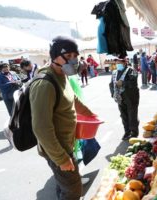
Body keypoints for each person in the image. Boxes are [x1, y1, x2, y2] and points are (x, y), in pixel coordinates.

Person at [29, 36, 95, 200]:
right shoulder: (44, 84)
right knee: (73, 190)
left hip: (67, 142)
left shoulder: (62, 75)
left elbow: (72, 99)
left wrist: (90, 114)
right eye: (69, 56)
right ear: (55, 56)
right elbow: (41, 128)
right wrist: (62, 159)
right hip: (57, 148)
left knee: (66, 184)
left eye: (75, 56)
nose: (74, 60)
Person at [109, 59, 139, 140]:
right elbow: (111, 84)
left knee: (132, 114)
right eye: (117, 62)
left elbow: (133, 83)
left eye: (120, 62)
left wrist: (123, 83)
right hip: (120, 97)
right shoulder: (114, 72)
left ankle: (134, 132)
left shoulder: (131, 70)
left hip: (131, 96)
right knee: (124, 115)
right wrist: (113, 94)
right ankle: (127, 131)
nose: (118, 64)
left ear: (125, 63)